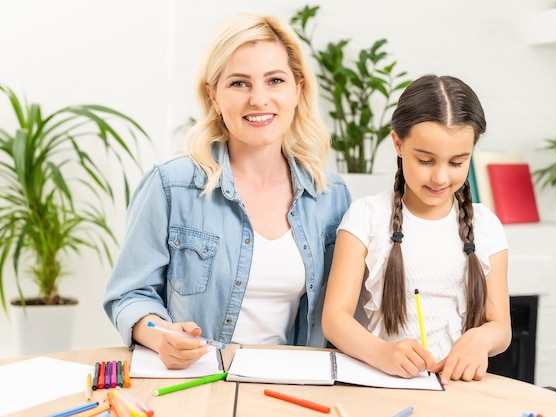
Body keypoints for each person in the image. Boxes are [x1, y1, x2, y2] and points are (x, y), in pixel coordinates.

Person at [103, 13, 351, 369]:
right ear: (214, 96)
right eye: (239, 84)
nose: (259, 99)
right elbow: (129, 294)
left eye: (275, 80)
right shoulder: (170, 185)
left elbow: (347, 310)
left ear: (298, 90)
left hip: (295, 383)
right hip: (199, 381)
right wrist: (160, 334)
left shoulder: (331, 195)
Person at [321, 74, 511, 385]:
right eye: (425, 160)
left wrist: (482, 339)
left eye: (456, 162)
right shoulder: (366, 216)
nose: (439, 177)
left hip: (456, 390)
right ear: (398, 143)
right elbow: (334, 318)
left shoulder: (486, 226)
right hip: (380, 385)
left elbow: (501, 327)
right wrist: (381, 353)